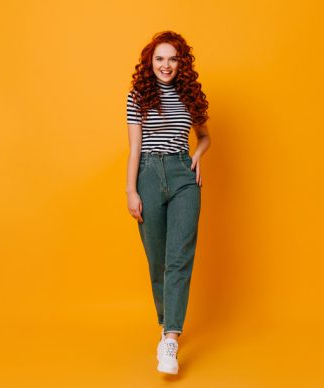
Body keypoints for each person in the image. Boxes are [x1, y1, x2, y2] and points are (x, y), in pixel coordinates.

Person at [125, 30, 211, 375]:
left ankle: (171, 339)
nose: (165, 65)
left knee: (179, 258)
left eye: (172, 58)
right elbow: (134, 148)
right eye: (159, 58)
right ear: (150, 62)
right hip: (147, 174)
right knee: (157, 258)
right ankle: (167, 323)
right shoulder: (138, 96)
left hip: (182, 176)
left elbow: (205, 137)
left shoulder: (190, 95)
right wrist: (130, 190)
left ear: (181, 63)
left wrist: (197, 155)